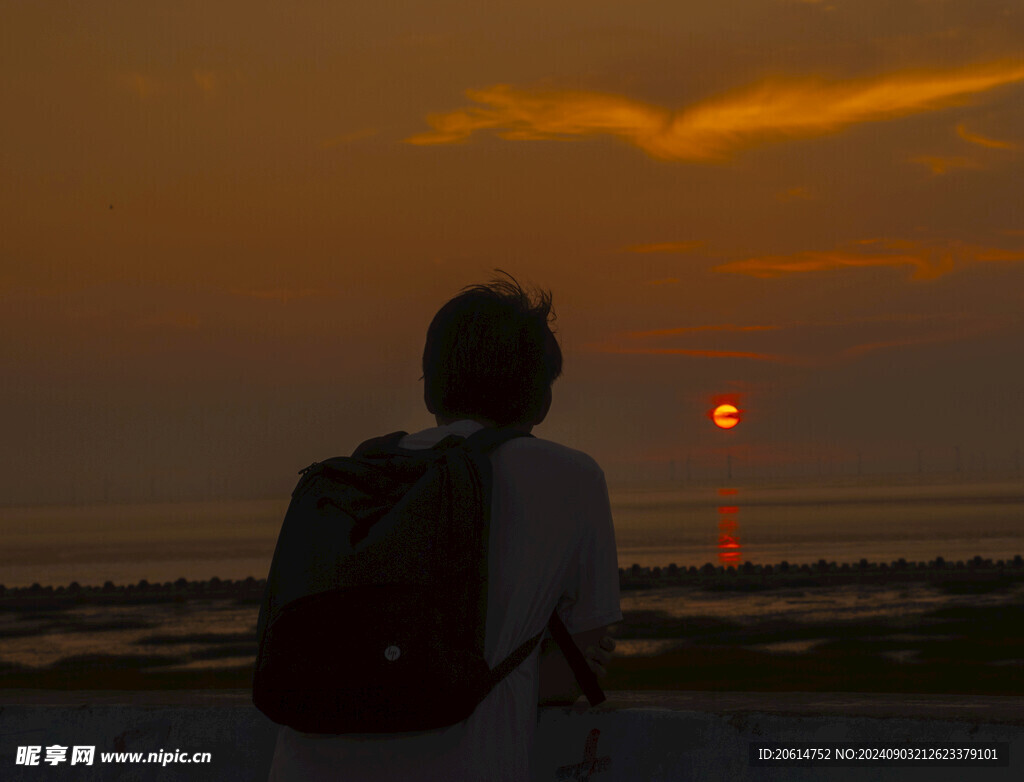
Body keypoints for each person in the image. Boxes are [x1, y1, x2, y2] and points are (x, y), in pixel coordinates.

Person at [267, 272, 621, 781]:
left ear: (430, 387)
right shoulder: (571, 476)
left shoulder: (360, 475)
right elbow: (574, 674)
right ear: (541, 395)